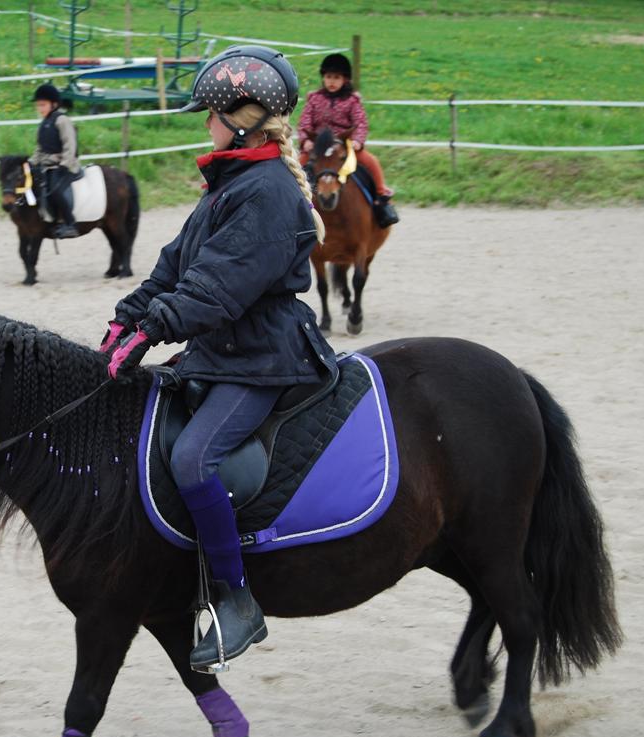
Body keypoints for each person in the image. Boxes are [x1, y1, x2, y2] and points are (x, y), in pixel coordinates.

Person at [98, 46, 337, 672]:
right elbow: (177, 268)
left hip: (261, 358)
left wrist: (152, 332)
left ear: (243, 116)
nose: (204, 121)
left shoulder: (267, 193)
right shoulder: (230, 183)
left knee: (193, 457)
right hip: (220, 353)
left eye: (210, 112)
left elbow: (217, 289)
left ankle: (236, 600)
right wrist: (126, 318)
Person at [296, 52, 399, 228]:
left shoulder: (352, 100)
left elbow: (360, 123)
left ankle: (382, 200)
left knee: (371, 161)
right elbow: (304, 121)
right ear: (323, 78)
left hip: (344, 146)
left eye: (336, 77)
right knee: (297, 166)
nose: (332, 82)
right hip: (319, 146)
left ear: (345, 79)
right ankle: (290, 204)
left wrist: (358, 140)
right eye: (328, 77)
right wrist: (305, 140)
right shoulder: (314, 99)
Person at [28, 83, 81, 239]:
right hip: (47, 166)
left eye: (43, 105)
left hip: (64, 165)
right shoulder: (44, 124)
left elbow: (70, 145)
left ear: (54, 104)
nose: (40, 109)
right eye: (38, 106)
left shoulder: (62, 120)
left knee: (55, 190)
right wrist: (30, 163)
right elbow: (40, 149)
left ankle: (70, 224)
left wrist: (65, 165)